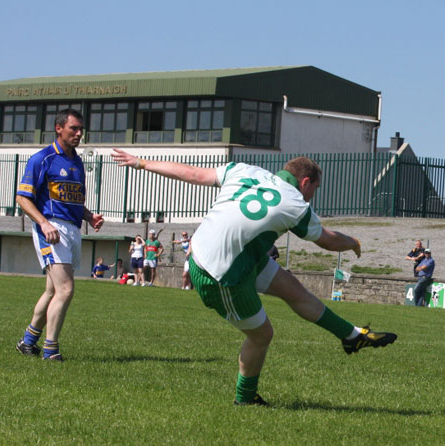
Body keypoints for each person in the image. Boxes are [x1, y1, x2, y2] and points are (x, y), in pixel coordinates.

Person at [112, 148, 397, 406]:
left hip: (229, 254)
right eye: (314, 189)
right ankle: (245, 399)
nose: (312, 196)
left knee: (293, 289)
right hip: (219, 273)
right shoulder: (296, 204)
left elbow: (193, 173)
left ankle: (351, 336)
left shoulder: (245, 170)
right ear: (305, 182)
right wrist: (353, 242)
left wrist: (142, 162)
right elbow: (326, 240)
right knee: (262, 335)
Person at [15, 108, 104, 361]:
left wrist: (89, 216)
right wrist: (43, 223)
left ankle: (28, 341)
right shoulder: (42, 159)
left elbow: (70, 200)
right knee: (65, 290)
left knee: (53, 291)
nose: (79, 133)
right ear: (59, 128)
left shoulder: (76, 161)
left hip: (72, 229)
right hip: (52, 229)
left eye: (81, 129)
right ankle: (50, 350)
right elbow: (22, 198)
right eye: (73, 128)